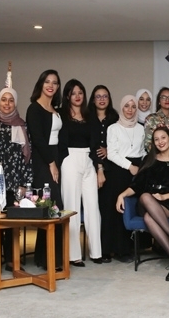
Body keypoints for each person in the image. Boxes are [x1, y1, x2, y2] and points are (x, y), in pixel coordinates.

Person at [116, 126, 169, 281]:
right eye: (156, 139)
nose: (160, 142)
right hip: (148, 203)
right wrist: (122, 195)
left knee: (149, 219)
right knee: (145, 196)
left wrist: (165, 198)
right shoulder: (149, 160)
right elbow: (137, 185)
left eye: (163, 138)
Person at [0, 87, 32, 272]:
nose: (7, 103)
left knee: (12, 224)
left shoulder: (22, 125)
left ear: (15, 103)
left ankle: (12, 259)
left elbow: (28, 157)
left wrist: (24, 184)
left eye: (11, 100)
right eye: (3, 99)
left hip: (14, 181)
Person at [58, 79, 103, 266]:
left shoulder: (90, 115)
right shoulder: (61, 114)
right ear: (68, 95)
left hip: (88, 161)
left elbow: (95, 144)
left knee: (93, 207)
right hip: (69, 159)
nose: (78, 96)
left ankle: (96, 252)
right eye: (74, 93)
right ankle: (73, 255)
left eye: (81, 93)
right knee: (71, 207)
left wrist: (99, 168)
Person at [26, 70, 64, 270]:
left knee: (51, 208)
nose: (51, 85)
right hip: (43, 161)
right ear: (41, 84)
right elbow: (38, 139)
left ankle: (43, 257)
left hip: (55, 158)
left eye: (55, 82)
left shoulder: (55, 109)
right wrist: (51, 163)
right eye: (47, 81)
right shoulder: (34, 108)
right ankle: (52, 260)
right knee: (52, 207)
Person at [101, 95, 145, 263]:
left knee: (131, 209)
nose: (130, 109)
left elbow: (144, 151)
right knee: (116, 211)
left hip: (137, 170)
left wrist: (141, 168)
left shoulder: (141, 128)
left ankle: (127, 249)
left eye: (133, 106)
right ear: (121, 107)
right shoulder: (113, 128)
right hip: (119, 171)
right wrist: (130, 166)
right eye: (126, 106)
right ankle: (113, 250)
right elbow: (111, 153)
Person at [88, 85, 118, 262]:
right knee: (95, 210)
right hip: (90, 167)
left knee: (109, 210)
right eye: (98, 96)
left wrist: (109, 150)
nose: (101, 99)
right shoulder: (86, 118)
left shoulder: (115, 118)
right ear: (93, 99)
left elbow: (120, 142)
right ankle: (98, 250)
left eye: (105, 96)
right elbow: (88, 144)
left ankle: (109, 248)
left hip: (112, 168)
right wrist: (99, 167)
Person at [143, 87, 169, 153]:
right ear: (159, 101)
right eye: (164, 97)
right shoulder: (151, 118)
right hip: (159, 159)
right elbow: (148, 144)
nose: (167, 100)